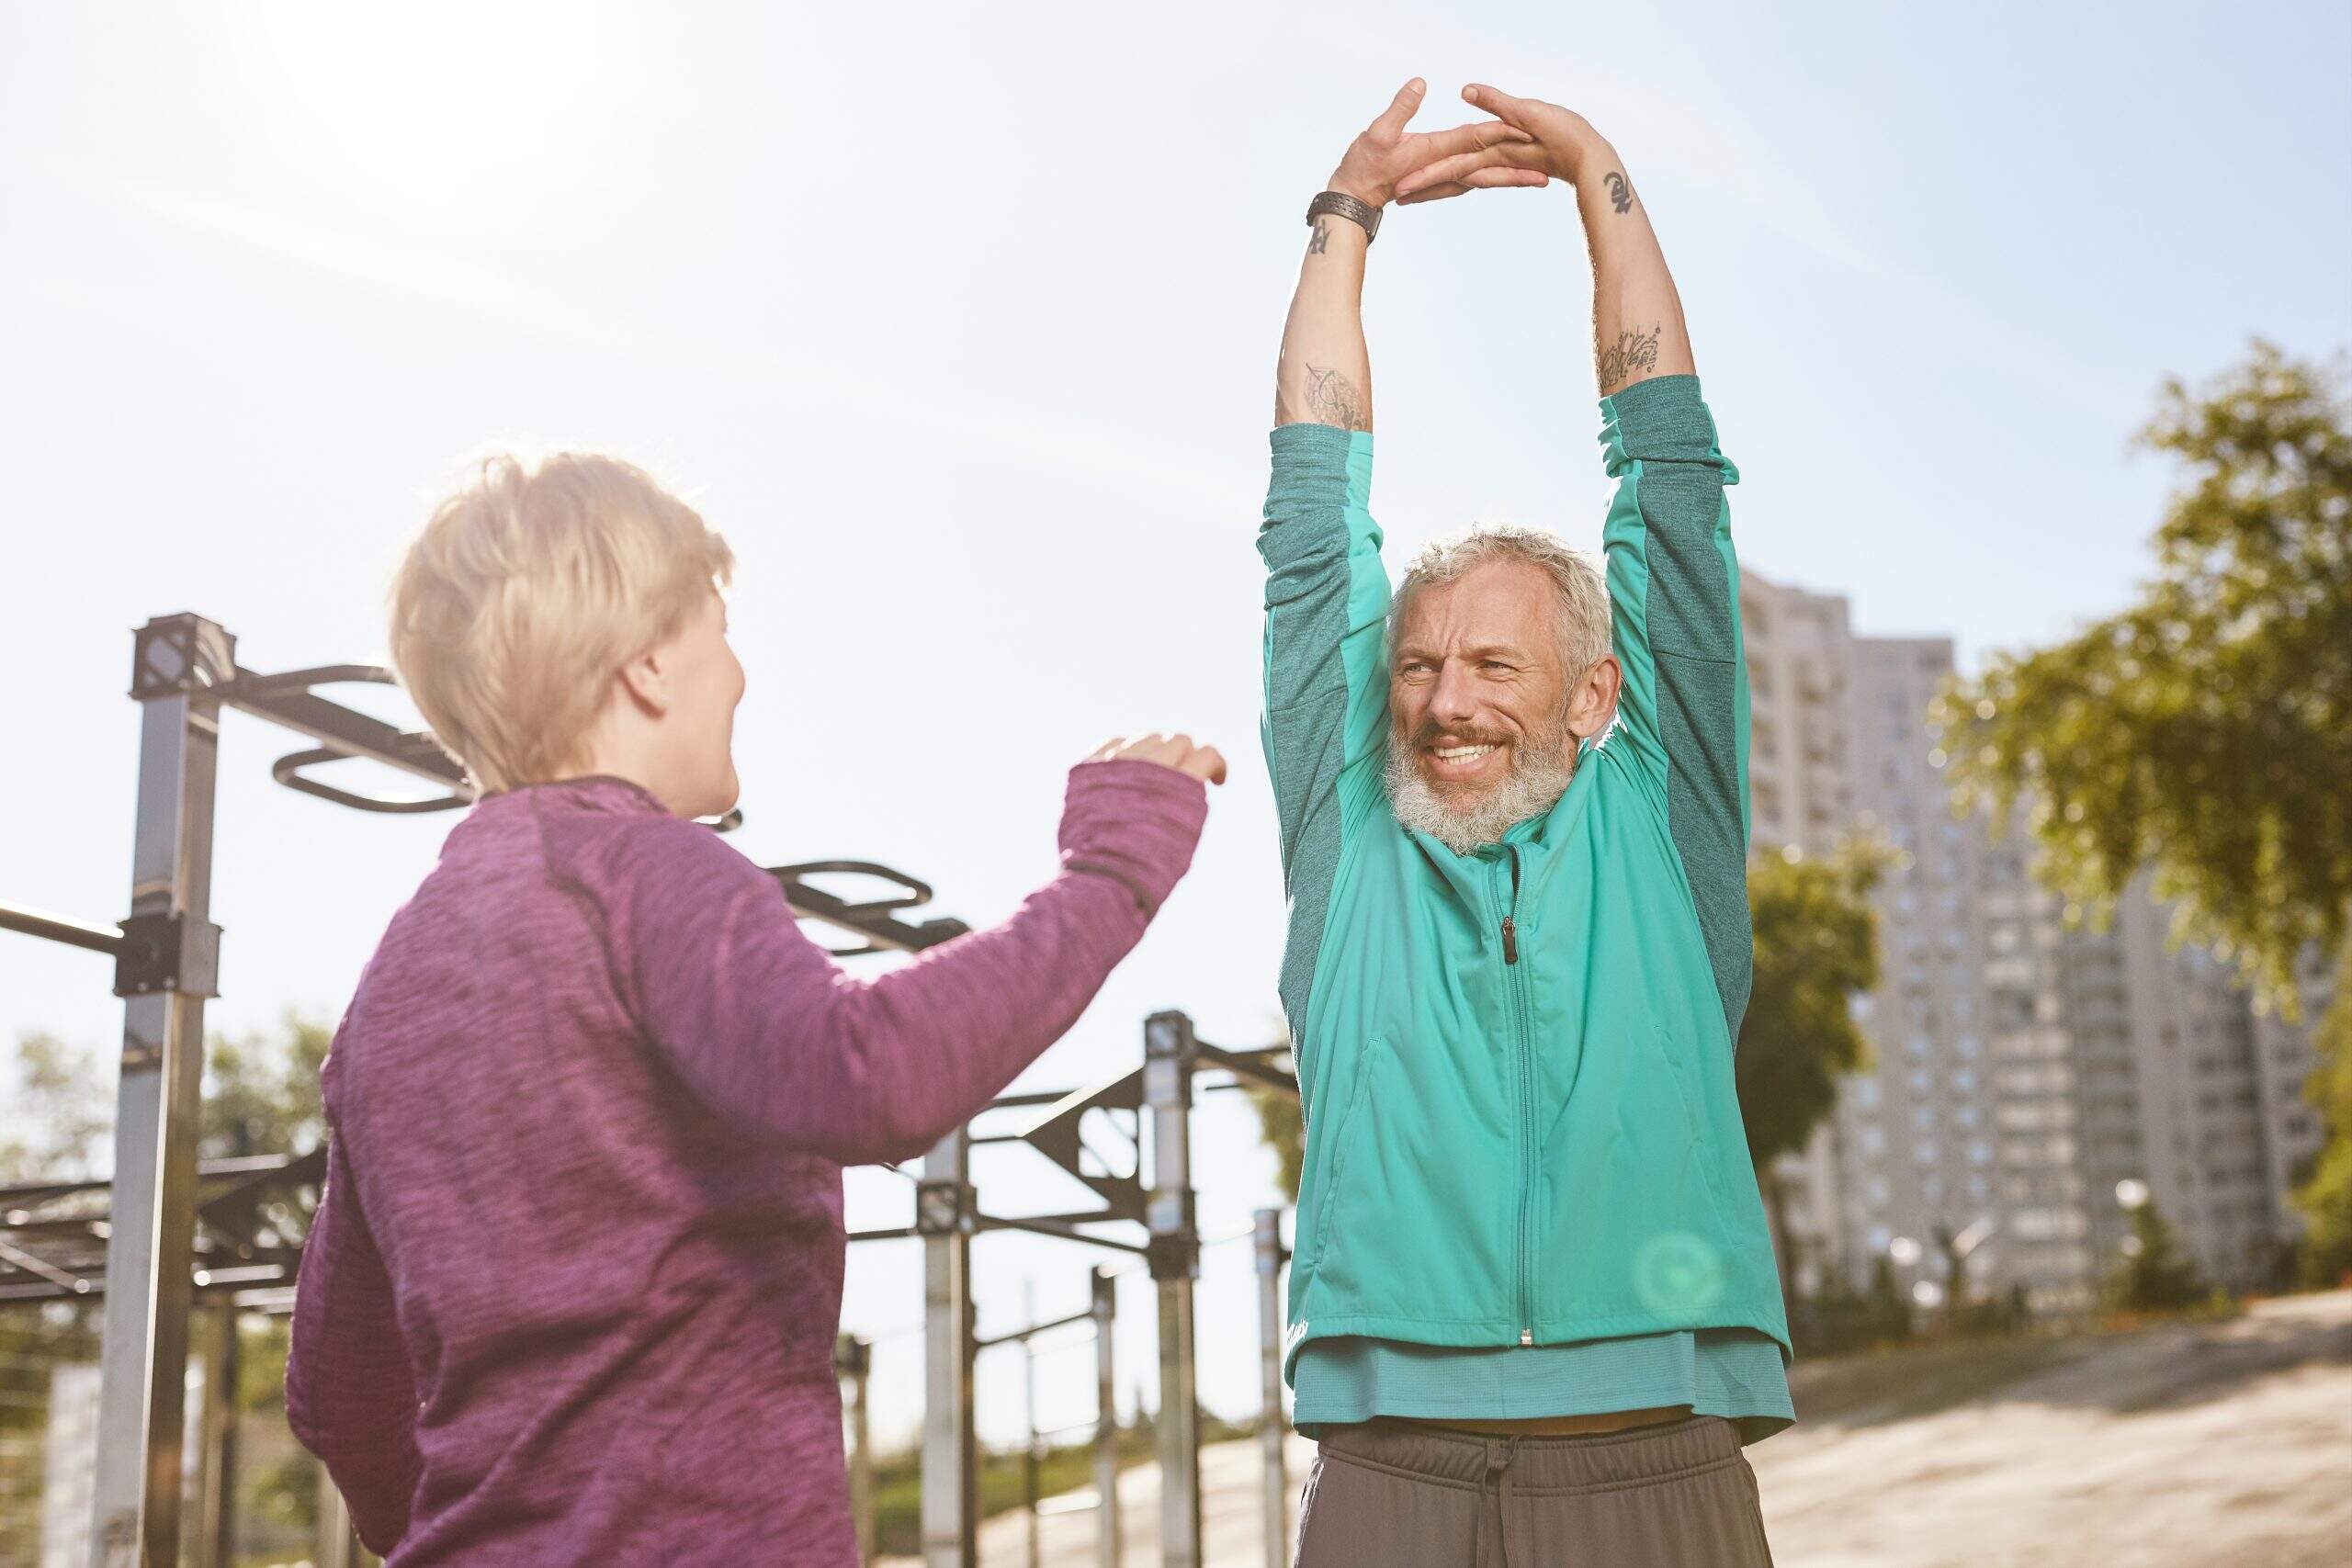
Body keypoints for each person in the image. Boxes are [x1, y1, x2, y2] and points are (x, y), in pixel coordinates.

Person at [283, 451, 1224, 1564]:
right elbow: (870, 1073)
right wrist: (1112, 869)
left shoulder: (392, 986)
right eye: (717, 635)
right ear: (646, 668)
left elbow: (339, 1389)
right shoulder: (642, 870)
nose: (737, 676)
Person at [1261, 80, 1788, 1565]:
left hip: (1657, 1465)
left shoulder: (1663, 830)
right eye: (1420, 665)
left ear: (1594, 692)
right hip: (1389, 1480)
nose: (1446, 700)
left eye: (1496, 664)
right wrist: (1344, 220)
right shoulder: (1353, 828)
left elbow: (1672, 484)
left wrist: (1602, 180)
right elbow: (1312, 521)